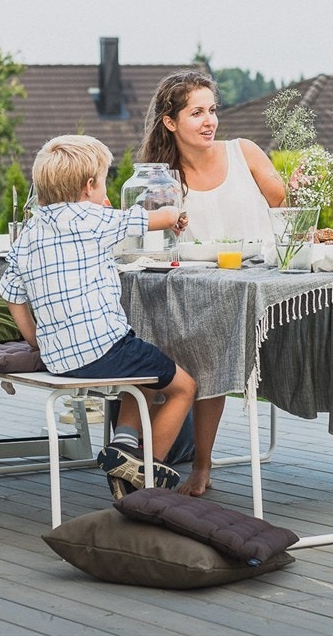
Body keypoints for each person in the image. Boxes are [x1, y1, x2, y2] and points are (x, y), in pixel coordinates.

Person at [0, 135, 197, 500]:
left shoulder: (28, 232)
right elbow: (152, 218)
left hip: (60, 361)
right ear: (89, 186)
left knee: (142, 374)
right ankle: (145, 471)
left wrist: (36, 341)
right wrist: (174, 216)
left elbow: (12, 294)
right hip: (105, 349)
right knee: (183, 387)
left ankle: (122, 450)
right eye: (104, 180)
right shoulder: (93, 216)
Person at [137, 70, 286, 496]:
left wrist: (290, 188)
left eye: (213, 110)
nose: (210, 121)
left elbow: (283, 209)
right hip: (190, 292)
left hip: (256, 284)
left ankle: (190, 467)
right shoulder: (162, 178)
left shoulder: (245, 153)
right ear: (170, 122)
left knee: (208, 342)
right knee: (192, 342)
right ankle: (168, 463)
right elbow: (153, 242)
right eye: (197, 112)